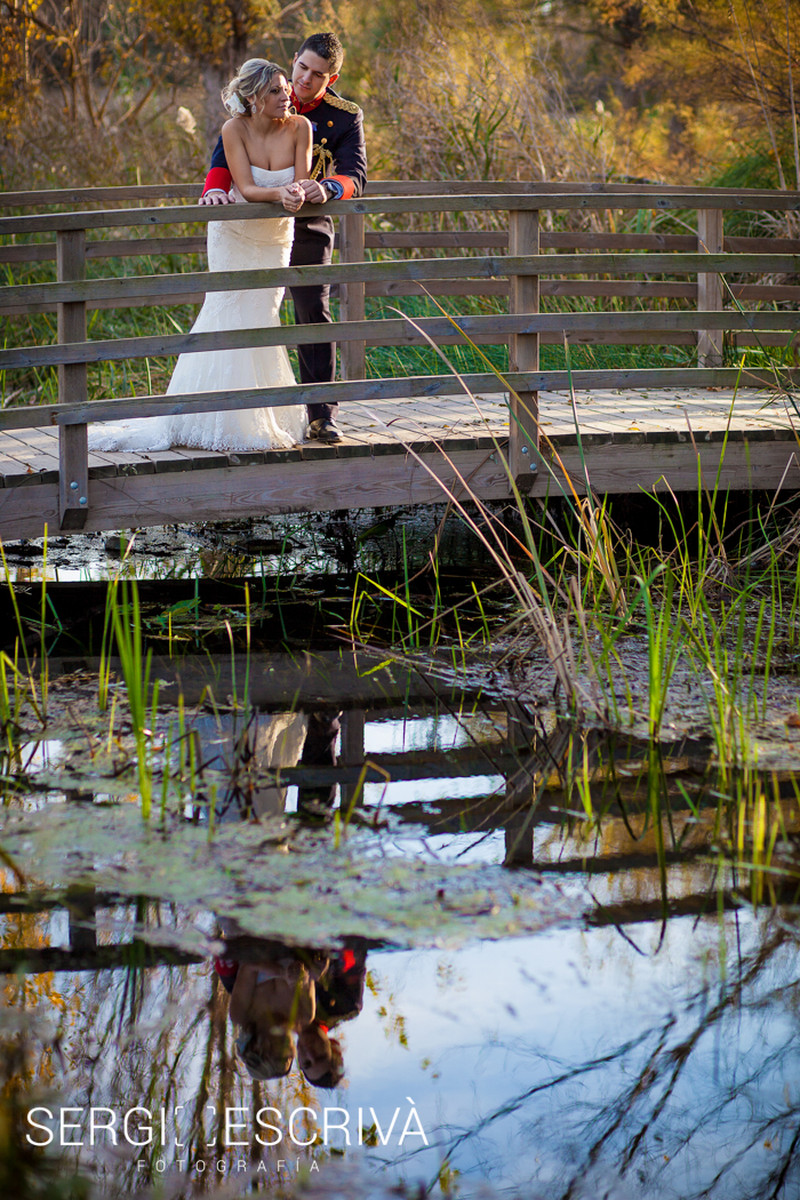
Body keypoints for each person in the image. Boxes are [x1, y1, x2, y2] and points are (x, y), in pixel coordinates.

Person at [90, 60, 312, 454]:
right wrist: (278, 193)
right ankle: (214, 417)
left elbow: (301, 177)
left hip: (276, 236)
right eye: (276, 91)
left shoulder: (300, 128)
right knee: (225, 314)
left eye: (284, 89)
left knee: (263, 317)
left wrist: (296, 193)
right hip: (234, 235)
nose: (286, 96)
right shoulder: (233, 130)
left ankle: (264, 414)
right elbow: (243, 184)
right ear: (253, 97)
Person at [201, 31, 368, 446]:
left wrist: (327, 189)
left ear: (333, 77)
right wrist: (213, 189)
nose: (305, 80)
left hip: (309, 221)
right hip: (255, 226)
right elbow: (225, 154)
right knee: (249, 309)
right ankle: (240, 409)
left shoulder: (345, 117)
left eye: (318, 75)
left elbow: (356, 174)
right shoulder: (267, 92)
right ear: (294, 60)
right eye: (302, 68)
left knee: (313, 310)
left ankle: (321, 416)